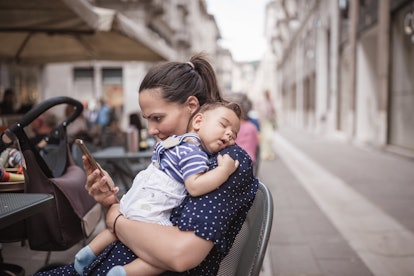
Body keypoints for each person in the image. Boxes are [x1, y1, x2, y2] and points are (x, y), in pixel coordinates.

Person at [35, 53, 258, 276]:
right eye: (147, 119)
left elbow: (180, 256)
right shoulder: (178, 149)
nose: (151, 130)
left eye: (158, 118)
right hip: (109, 261)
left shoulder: (227, 161)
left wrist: (116, 219)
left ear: (192, 107)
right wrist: (110, 200)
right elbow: (151, 216)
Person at [74, 101, 241, 275]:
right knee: (163, 253)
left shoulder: (174, 142)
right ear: (198, 121)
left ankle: (88, 252)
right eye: (223, 125)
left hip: (136, 195)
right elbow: (194, 186)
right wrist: (223, 171)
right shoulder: (195, 153)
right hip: (154, 204)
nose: (229, 134)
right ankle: (125, 273)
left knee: (120, 223)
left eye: (234, 135)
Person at [259, 89, 277, 160]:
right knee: (264, 139)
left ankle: (269, 153)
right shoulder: (262, 102)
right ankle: (265, 154)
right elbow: (260, 112)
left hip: (269, 122)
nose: (267, 94)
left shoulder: (271, 101)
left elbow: (274, 111)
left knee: (269, 138)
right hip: (263, 122)